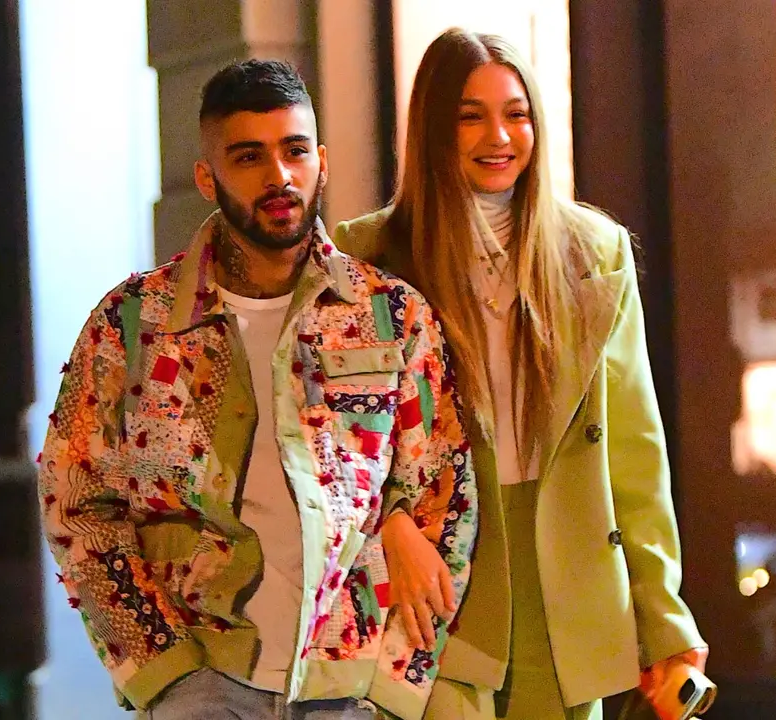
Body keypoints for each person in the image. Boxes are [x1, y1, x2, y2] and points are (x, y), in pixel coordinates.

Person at [37, 59, 477, 720]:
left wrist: (393, 686)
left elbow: (445, 494)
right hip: (203, 683)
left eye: (295, 151)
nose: (279, 176)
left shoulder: (390, 315)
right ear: (206, 177)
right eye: (249, 157)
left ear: (322, 161)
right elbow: (75, 501)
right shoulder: (134, 326)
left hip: (349, 688)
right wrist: (163, 673)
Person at [334, 28, 710, 720]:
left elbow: (634, 450)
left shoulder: (595, 251)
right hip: (434, 578)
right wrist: (390, 524)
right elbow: (336, 438)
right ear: (433, 127)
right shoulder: (368, 254)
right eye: (470, 116)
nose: (499, 136)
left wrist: (664, 617)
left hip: (568, 579)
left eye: (516, 113)